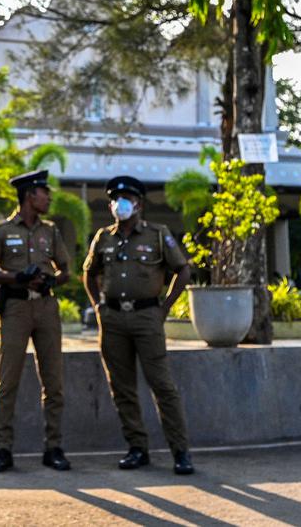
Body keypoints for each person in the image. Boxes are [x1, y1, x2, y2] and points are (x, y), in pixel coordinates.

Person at [82, 176, 195, 475]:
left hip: (148, 317)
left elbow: (183, 269)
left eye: (127, 198)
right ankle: (137, 448)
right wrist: (98, 306)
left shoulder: (158, 234)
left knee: (162, 385)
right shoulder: (103, 237)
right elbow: (89, 272)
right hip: (113, 319)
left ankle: (180, 451)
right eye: (115, 199)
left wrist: (165, 307)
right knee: (122, 387)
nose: (120, 203)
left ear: (138, 204)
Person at [0, 169, 72, 473]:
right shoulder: (2, 231)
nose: (49, 197)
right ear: (30, 195)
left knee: (53, 381)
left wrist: (51, 281)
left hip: (45, 308)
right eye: (45, 192)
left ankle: (53, 447)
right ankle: (3, 449)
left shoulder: (51, 231)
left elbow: (66, 269)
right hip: (15, 309)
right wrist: (16, 278)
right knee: (8, 382)